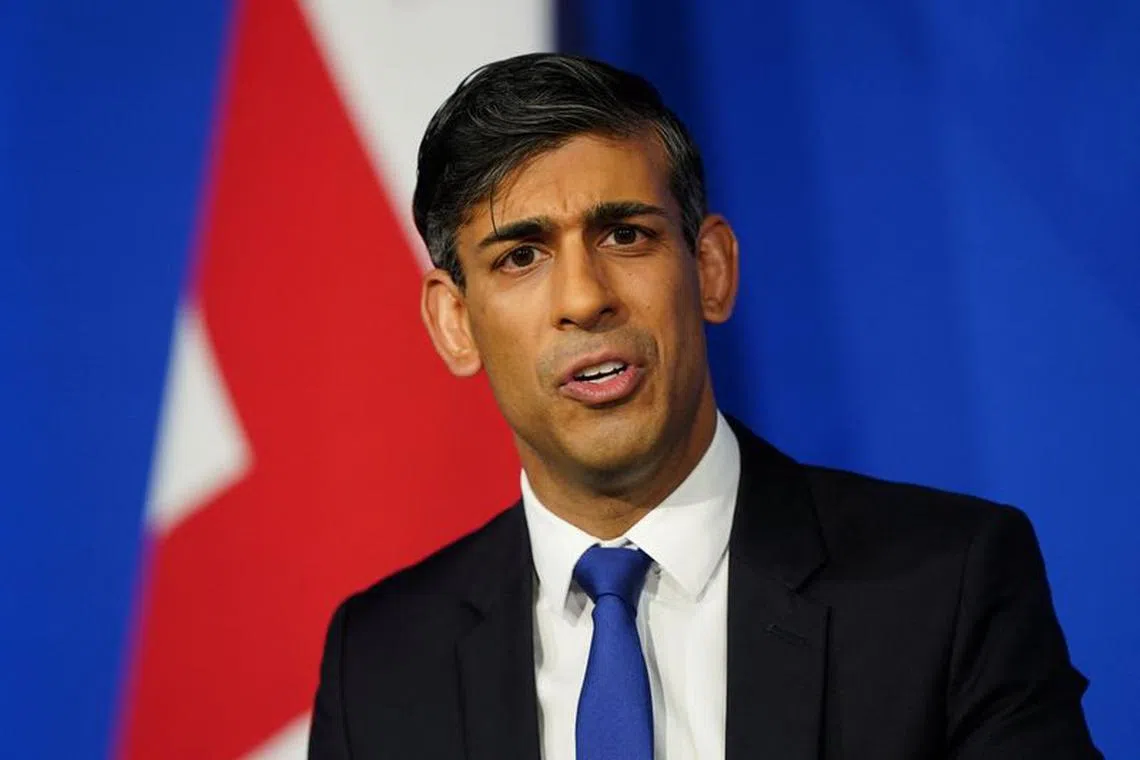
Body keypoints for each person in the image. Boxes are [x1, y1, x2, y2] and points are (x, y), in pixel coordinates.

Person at [307, 53, 1100, 760]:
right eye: (521, 256)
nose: (584, 298)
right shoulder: (379, 662)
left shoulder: (946, 588)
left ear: (711, 269)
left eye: (624, 236)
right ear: (454, 322)